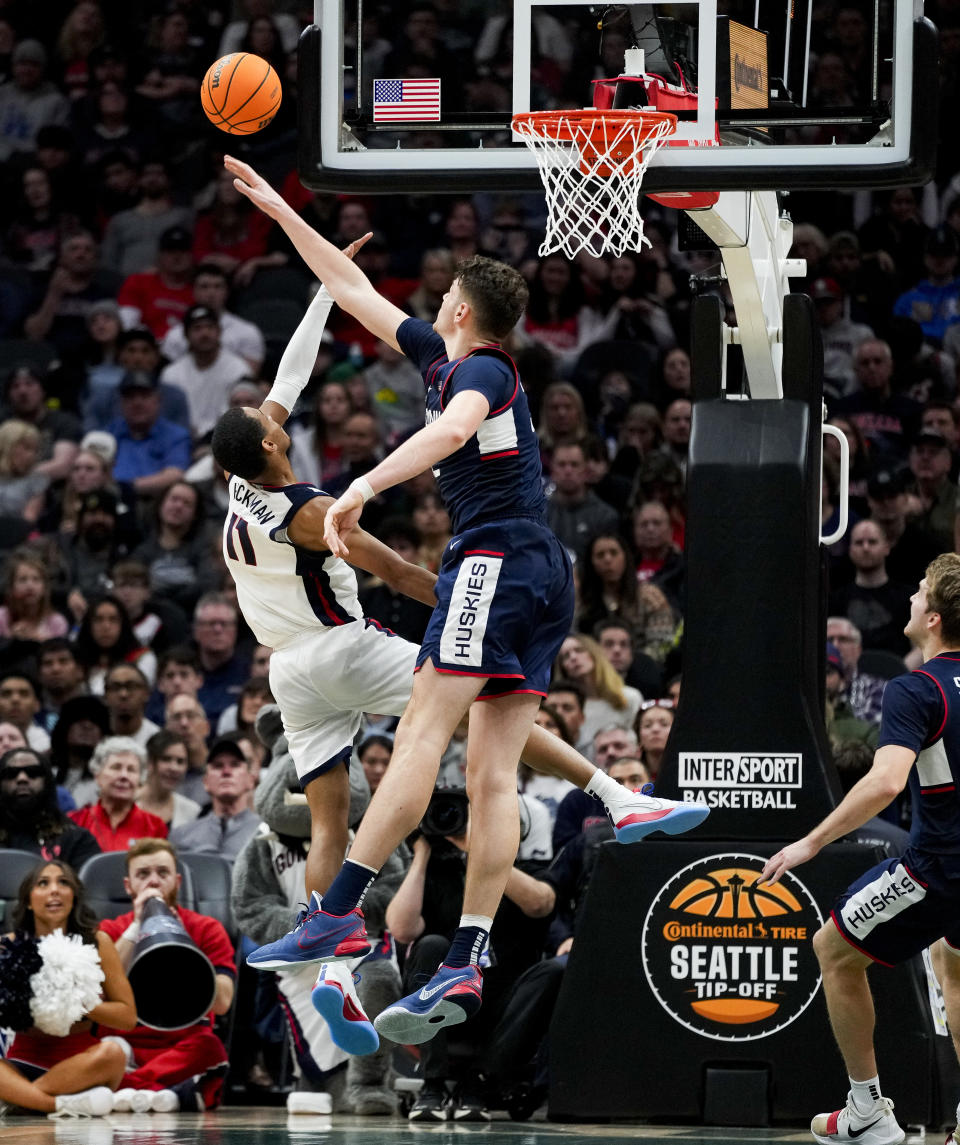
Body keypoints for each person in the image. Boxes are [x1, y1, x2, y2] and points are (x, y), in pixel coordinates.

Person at [219, 155, 705, 1048]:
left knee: (419, 739)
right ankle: (468, 955)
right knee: (489, 777)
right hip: (536, 570)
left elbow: (445, 431)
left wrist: (363, 483)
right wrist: (282, 210)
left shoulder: (483, 370)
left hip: (493, 560)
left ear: (459, 310)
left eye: (441, 292)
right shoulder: (444, 355)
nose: (429, 299)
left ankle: (333, 912)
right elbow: (350, 284)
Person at [761, 553, 960, 1145]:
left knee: (833, 949)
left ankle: (867, 1110)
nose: (911, 597)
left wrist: (810, 842)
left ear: (933, 618)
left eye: (919, 591)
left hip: (939, 869)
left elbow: (885, 782)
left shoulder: (915, 689)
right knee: (954, 965)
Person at [97, 838, 235, 1111]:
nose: (153, 882)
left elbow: (222, 1002)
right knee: (102, 1051)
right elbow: (100, 992)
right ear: (129, 886)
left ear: (177, 880)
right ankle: (173, 1095)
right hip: (123, 1045)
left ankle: (128, 1088)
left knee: (210, 1048)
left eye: (163, 873)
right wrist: (136, 927)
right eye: (143, 874)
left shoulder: (207, 929)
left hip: (183, 1044)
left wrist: (181, 940)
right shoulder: (110, 930)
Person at [0, 859, 135, 1117]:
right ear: (28, 900)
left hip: (84, 1066)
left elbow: (127, 1017)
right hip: (22, 1064)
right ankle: (57, 1105)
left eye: (63, 883)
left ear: (74, 896)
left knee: (114, 1053)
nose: (54, 890)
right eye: (43, 883)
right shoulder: (7, 947)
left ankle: (21, 1100)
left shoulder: (98, 942)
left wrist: (80, 1002)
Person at [0, 747, 100, 867]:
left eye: (33, 772)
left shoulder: (76, 839)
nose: (22, 778)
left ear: (47, 782)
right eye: (11, 774)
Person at [168, 736, 260, 862]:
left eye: (235, 765)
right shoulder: (180, 836)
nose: (226, 772)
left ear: (251, 780)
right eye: (218, 766)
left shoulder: (266, 833)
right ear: (205, 782)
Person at [68, 736, 167, 850]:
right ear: (97, 774)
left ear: (140, 779)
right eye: (116, 767)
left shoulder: (155, 827)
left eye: (131, 769)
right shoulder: (76, 821)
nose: (124, 776)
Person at [136, 729, 200, 828]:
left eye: (180, 761)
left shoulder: (192, 812)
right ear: (150, 762)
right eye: (166, 759)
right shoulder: (127, 804)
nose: (174, 768)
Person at [103, 663, 160, 746]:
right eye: (115, 687)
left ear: (147, 694)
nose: (123, 694)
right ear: (105, 695)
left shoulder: (157, 739)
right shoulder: (97, 737)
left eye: (131, 687)